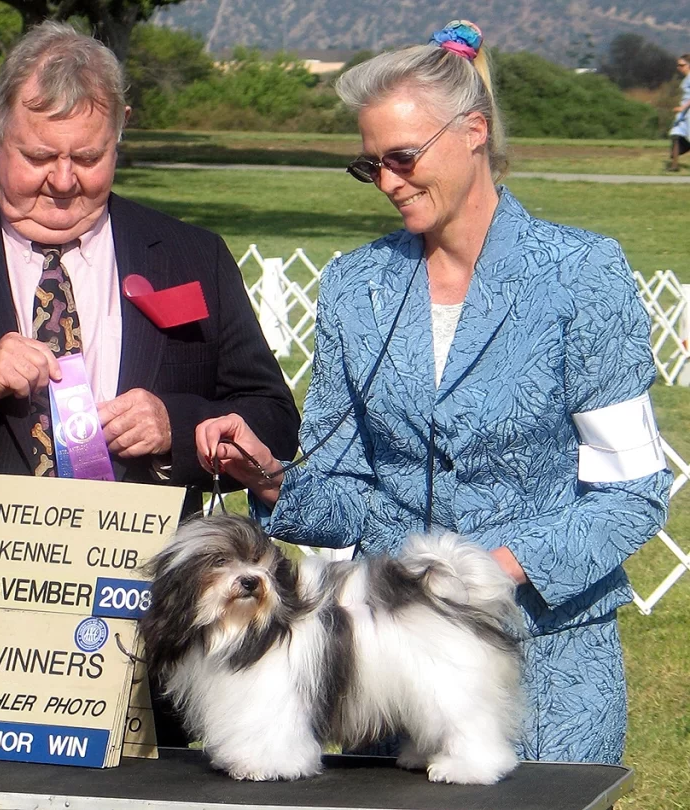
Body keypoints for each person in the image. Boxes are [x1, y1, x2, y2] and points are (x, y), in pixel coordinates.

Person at [195, 21, 672, 765]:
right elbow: (344, 492)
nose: (388, 182)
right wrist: (270, 480)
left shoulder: (581, 273)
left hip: (547, 664)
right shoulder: (356, 286)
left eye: (403, 158)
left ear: (474, 130)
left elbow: (634, 493)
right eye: (370, 166)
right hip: (385, 675)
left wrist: (494, 569)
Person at [0, 21, 299, 753]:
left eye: (88, 158)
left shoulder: (192, 255)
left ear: (122, 130)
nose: (63, 180)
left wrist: (178, 429)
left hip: (146, 654)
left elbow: (273, 422)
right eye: (37, 155)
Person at [667, 54, 690, 171]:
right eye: (678, 65)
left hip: (688, 111)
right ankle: (674, 165)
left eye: (682, 65)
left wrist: (683, 107)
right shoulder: (686, 79)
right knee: (676, 134)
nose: (679, 67)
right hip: (684, 112)